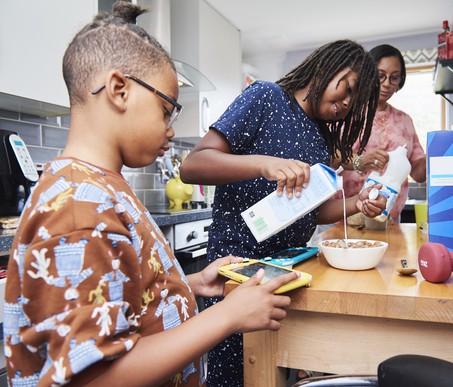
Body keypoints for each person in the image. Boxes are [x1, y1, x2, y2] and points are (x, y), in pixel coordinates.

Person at [2, 3, 300, 386]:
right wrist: (227, 316)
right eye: (166, 110)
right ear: (119, 90)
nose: (172, 129)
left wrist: (184, 286)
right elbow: (94, 378)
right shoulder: (78, 209)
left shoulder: (97, 188)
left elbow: (115, 298)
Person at [179, 40, 385, 386]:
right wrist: (264, 164)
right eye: (347, 88)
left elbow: (310, 212)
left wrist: (357, 203)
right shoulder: (265, 98)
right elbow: (193, 166)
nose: (347, 104)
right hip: (237, 269)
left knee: (272, 372)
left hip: (286, 269)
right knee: (235, 373)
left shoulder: (321, 139)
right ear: (324, 67)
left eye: (356, 102)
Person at [335, 44, 427, 223]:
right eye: (380, 76)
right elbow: (330, 155)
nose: (386, 84)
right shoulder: (346, 113)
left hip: (389, 219)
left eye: (394, 78)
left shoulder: (404, 120)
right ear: (366, 75)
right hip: (345, 217)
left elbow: (419, 174)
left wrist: (439, 153)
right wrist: (360, 161)